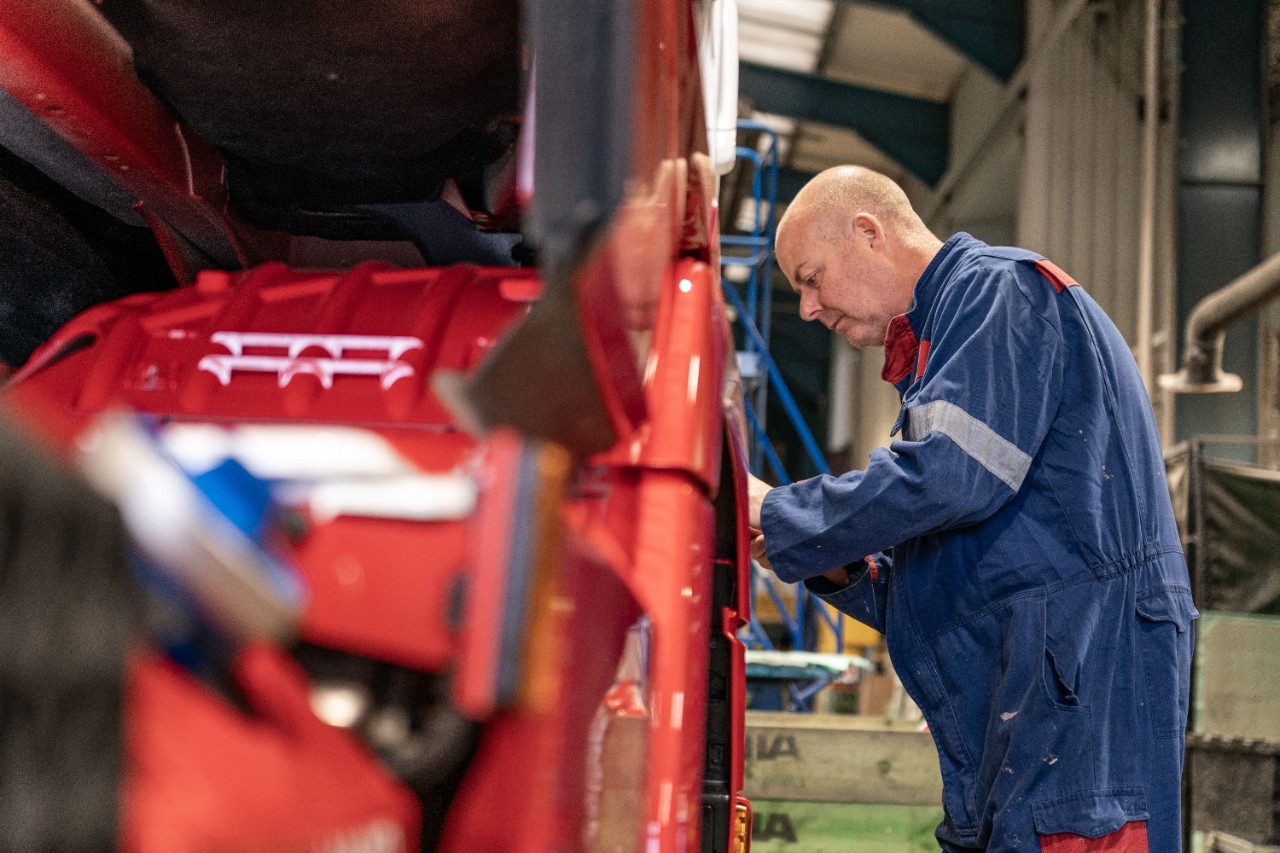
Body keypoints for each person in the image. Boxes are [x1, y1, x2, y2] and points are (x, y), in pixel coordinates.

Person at [748, 165, 1196, 852]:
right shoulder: (940, 354)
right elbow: (936, 587)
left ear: (868, 233)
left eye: (810, 277)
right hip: (1024, 721)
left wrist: (779, 511)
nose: (807, 308)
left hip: (1081, 714)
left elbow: (952, 478)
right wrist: (835, 567)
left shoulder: (1000, 293)